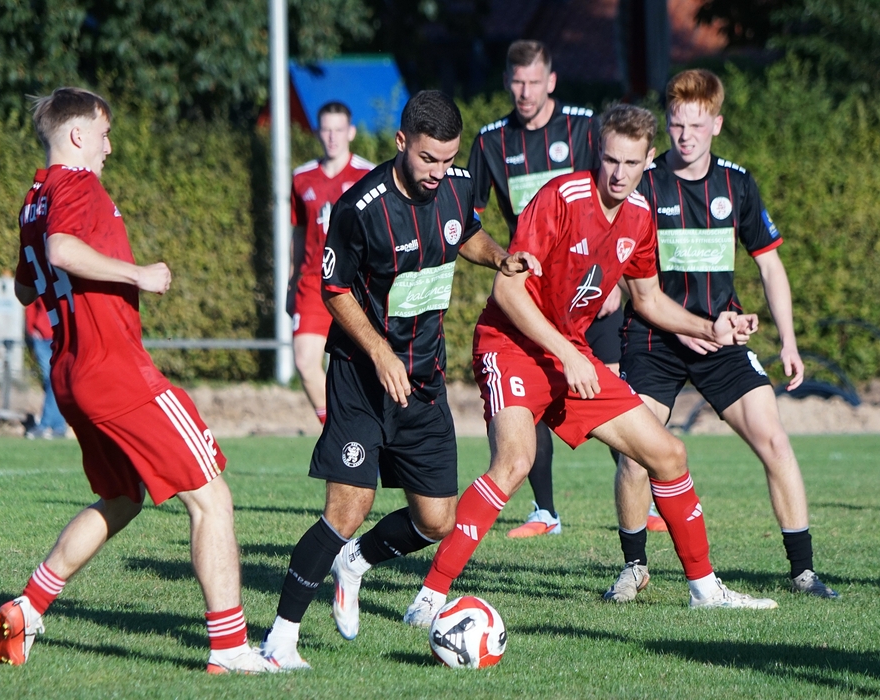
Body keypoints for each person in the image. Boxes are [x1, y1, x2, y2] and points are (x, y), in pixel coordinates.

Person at [397, 103, 781, 625]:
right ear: (598, 152)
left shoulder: (640, 216)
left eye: (631, 163)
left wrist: (708, 327)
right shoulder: (560, 198)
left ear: (649, 160)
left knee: (668, 454)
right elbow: (508, 292)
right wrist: (565, 352)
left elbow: (648, 300)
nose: (618, 174)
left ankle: (705, 590)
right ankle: (429, 598)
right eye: (610, 160)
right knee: (514, 463)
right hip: (511, 345)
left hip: (569, 354)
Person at [257, 90, 539, 671]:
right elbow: (334, 290)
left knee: (437, 521)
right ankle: (280, 640)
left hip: (424, 379)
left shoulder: (456, 185)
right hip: (362, 378)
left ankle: (355, 562)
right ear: (402, 142)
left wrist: (499, 257)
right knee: (348, 508)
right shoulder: (359, 208)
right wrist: (380, 352)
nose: (439, 171)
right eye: (428, 158)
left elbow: (466, 232)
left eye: (449, 159)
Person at [0, 87, 274, 674]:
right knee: (212, 498)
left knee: (122, 499)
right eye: (103, 135)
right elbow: (62, 250)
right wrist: (137, 274)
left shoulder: (34, 199)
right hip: (115, 370)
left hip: (69, 371)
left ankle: (29, 605)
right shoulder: (77, 184)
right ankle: (230, 649)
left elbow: (25, 286)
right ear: (77, 136)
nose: (109, 147)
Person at [605, 69, 838, 603]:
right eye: (676, 124)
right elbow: (623, 266)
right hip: (653, 340)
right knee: (635, 454)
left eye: (696, 124)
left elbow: (770, 265)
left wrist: (788, 342)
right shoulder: (645, 182)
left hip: (721, 340)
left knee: (774, 440)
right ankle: (634, 567)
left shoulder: (737, 184)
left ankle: (803, 571)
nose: (684, 135)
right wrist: (673, 322)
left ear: (716, 124)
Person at [468, 39, 623, 538]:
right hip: (535, 298)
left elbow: (618, 196)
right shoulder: (491, 141)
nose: (525, 92)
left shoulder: (584, 127)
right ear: (507, 82)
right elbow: (468, 219)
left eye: (534, 82)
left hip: (592, 290)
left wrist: (614, 278)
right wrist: (502, 258)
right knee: (529, 392)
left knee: (615, 393)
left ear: (551, 81)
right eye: (517, 82)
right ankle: (545, 513)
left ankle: (642, 504)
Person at [289, 102, 374, 424]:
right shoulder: (302, 177)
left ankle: (370, 432)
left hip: (354, 284)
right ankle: (336, 430)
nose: (332, 137)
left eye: (338, 130)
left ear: (351, 132)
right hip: (313, 283)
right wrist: (291, 283)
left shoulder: (368, 175)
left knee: (364, 368)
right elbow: (299, 234)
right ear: (317, 132)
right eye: (326, 129)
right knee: (305, 362)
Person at [25, 297, 68, 438]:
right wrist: (31, 329)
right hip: (42, 338)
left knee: (55, 380)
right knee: (51, 380)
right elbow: (31, 304)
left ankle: (46, 425)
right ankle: (57, 426)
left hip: (61, 337)